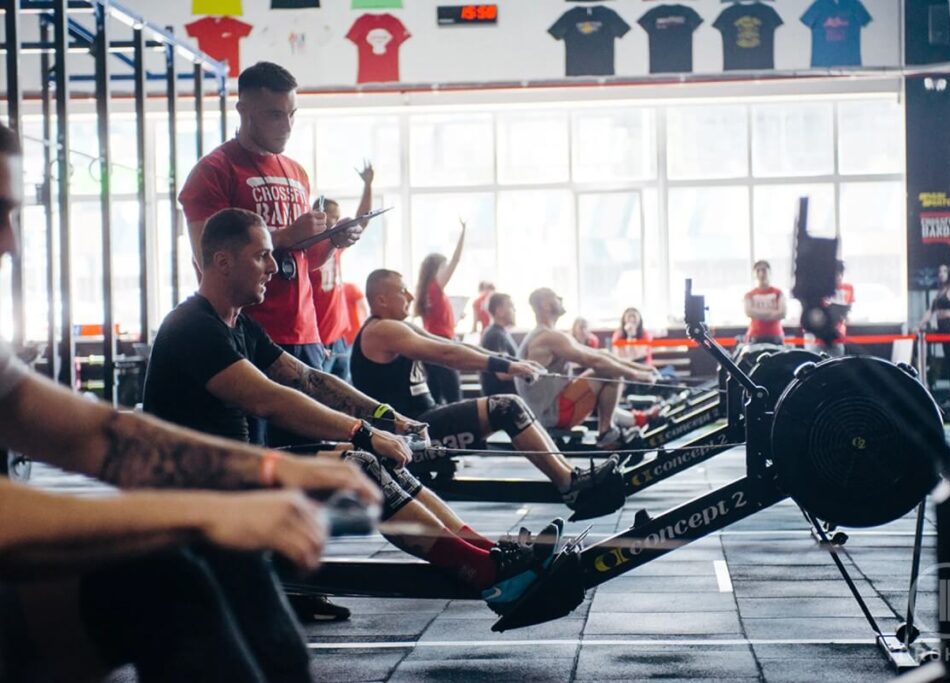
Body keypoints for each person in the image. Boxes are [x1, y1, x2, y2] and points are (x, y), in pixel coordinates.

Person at [0, 121, 380, 682]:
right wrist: (208, 511)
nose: (10, 242)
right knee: (177, 573)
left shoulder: (241, 325)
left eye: (12, 214)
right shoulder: (191, 327)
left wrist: (273, 467)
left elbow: (98, 435)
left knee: (214, 564)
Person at [142, 207, 562, 614]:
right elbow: (269, 398)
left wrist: (383, 416)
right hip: (200, 482)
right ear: (222, 262)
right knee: (360, 462)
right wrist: (363, 432)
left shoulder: (241, 325)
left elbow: (309, 379)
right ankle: (487, 572)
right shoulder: (191, 327)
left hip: (238, 469)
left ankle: (488, 552)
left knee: (370, 459)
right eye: (262, 255)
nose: (274, 266)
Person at [178, 61, 357, 448]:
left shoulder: (296, 171)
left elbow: (304, 263)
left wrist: (332, 241)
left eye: (291, 114)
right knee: (260, 460)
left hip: (304, 331)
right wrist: (287, 234)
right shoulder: (214, 170)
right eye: (275, 114)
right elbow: (207, 255)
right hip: (251, 333)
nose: (287, 125)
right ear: (243, 111)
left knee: (314, 455)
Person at [351, 270, 623, 517]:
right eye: (402, 291)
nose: (410, 296)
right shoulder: (381, 330)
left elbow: (445, 343)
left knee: (509, 406)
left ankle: (570, 477)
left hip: (422, 424)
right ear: (382, 299)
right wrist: (506, 365)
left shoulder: (398, 326)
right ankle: (570, 484)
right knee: (506, 407)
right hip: (408, 439)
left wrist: (509, 362)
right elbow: (447, 354)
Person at [518, 288, 659, 449]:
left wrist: (642, 369)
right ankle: (606, 434)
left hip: (551, 409)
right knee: (610, 373)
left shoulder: (550, 334)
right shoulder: (548, 337)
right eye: (557, 297)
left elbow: (600, 354)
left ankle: (614, 427)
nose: (561, 298)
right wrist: (637, 375)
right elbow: (596, 362)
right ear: (545, 305)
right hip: (551, 414)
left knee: (608, 366)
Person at [312, 167, 373, 383]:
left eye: (338, 219)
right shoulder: (307, 252)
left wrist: (368, 186)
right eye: (331, 218)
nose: (335, 224)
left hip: (339, 339)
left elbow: (361, 221)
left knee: (345, 397)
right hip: (319, 341)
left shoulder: (336, 248)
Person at [415, 221, 466, 405]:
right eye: (443, 268)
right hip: (442, 343)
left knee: (436, 393)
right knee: (453, 395)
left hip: (433, 343)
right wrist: (463, 231)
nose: (447, 271)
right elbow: (456, 260)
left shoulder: (425, 290)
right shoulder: (435, 288)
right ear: (437, 269)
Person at [914, 264, 950, 390]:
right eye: (939, 271)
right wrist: (919, 325)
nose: (941, 273)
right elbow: (930, 311)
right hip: (942, 327)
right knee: (947, 359)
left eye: (944, 271)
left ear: (949, 274)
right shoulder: (939, 294)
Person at [810, 260, 855, 356]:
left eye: (839, 274)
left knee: (836, 364)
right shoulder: (820, 289)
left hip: (838, 335)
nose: (837, 277)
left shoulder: (848, 288)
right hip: (818, 337)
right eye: (834, 274)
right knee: (817, 362)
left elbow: (848, 309)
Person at [479, 292, 518, 396]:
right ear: (499, 311)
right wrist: (528, 371)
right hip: (501, 398)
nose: (514, 310)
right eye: (510, 306)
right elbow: (503, 373)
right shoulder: (495, 335)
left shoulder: (500, 333)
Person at [743, 260, 787, 345]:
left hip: (775, 336)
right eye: (758, 271)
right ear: (754, 274)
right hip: (755, 336)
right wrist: (772, 314)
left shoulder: (778, 293)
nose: (761, 274)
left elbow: (782, 313)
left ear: (769, 272)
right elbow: (749, 312)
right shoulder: (749, 295)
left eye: (763, 270)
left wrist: (758, 314)